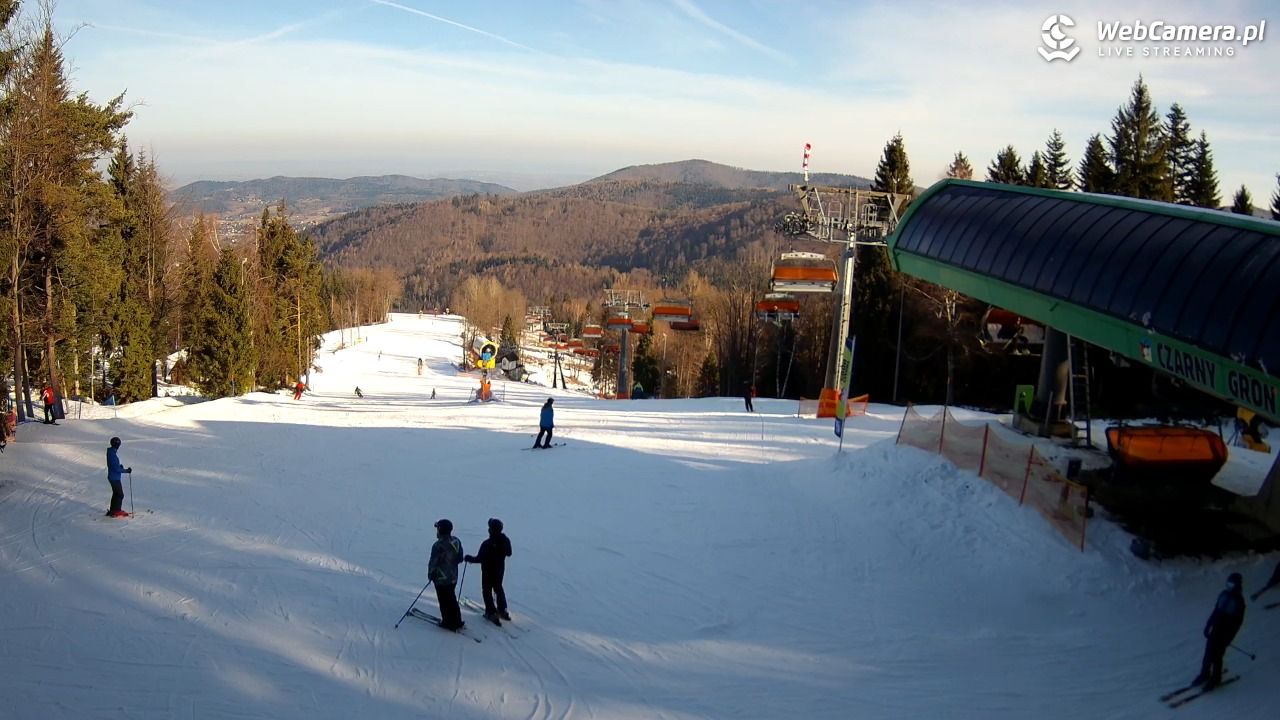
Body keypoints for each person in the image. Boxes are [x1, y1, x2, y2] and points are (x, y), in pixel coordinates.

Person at [1193, 572, 1247, 689]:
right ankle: (1205, 674)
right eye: (1228, 583)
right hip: (1216, 629)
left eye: (1231, 584)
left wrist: (1229, 638)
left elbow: (1237, 623)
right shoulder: (1223, 594)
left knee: (1217, 656)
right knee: (1208, 653)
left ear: (1237, 585)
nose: (1228, 586)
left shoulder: (1239, 602)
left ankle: (1216, 678)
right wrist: (1208, 625)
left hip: (1225, 632)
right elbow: (1216, 611)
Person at [464, 518, 513, 624]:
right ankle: (502, 610)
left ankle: (491, 612)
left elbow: (479, 559)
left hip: (487, 571)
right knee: (498, 588)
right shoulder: (505, 540)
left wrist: (468, 558)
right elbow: (509, 553)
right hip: (500, 570)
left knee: (487, 590)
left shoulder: (487, 544)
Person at [428, 518, 465, 631]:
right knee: (451, 598)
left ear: (440, 530)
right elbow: (459, 558)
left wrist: (431, 574)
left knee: (444, 601)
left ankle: (448, 622)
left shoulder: (437, 545)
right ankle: (457, 620)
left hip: (441, 578)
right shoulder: (456, 541)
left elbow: (433, 562)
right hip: (453, 577)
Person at [105, 437, 132, 518]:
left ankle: (113, 510)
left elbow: (114, 466)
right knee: (120, 494)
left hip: (114, 476)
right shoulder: (112, 454)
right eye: (118, 444)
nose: (118, 446)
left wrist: (120, 466)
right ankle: (116, 511)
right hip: (114, 478)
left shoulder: (111, 452)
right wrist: (126, 470)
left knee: (116, 494)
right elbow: (116, 469)